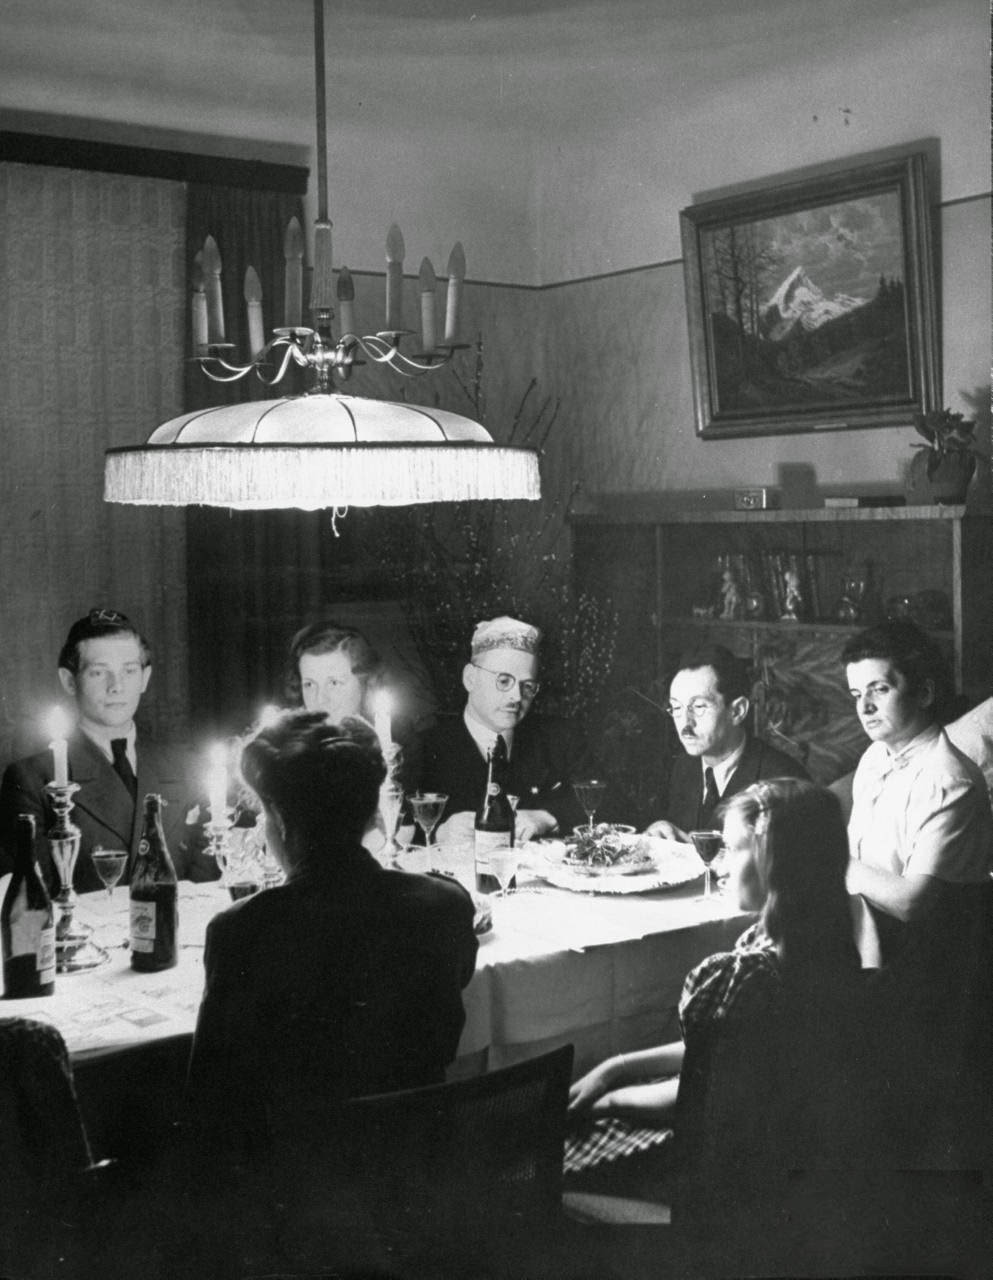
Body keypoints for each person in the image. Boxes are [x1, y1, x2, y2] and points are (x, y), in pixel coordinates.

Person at [186, 709, 478, 1149]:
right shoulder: (446, 905)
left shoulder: (242, 930)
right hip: (416, 1167)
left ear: (280, 822)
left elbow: (211, 1096)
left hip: (299, 1187)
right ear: (370, 811)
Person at [566, 779, 860, 1189]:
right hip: (773, 1142)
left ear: (776, 861)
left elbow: (696, 1096)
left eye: (733, 849)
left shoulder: (751, 973)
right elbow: (714, 1051)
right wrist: (615, 1068)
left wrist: (609, 1102)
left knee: (552, 1147)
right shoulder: (823, 944)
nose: (718, 863)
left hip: (716, 1160)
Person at [0, 608, 216, 892]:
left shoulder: (186, 768)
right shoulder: (32, 780)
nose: (117, 687)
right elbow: (35, 900)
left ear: (145, 678)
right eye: (99, 672)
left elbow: (208, 884)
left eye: (129, 670)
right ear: (69, 680)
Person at [842, 619, 993, 965]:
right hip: (868, 937)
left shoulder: (948, 781)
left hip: (925, 964)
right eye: (856, 694)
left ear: (924, 693)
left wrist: (831, 860)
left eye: (879, 689)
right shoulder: (876, 757)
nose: (864, 707)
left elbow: (912, 902)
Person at [413, 615, 590, 844]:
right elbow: (390, 835)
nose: (516, 697)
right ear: (470, 679)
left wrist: (547, 817)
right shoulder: (425, 747)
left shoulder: (559, 737)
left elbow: (611, 802)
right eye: (504, 681)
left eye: (527, 686)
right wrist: (438, 833)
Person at [645, 644, 808, 841]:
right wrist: (662, 832)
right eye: (677, 708)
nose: (685, 724)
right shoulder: (684, 767)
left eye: (698, 706)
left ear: (737, 711)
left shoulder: (782, 781)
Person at [286, 620, 382, 722]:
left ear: (364, 685)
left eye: (334, 683)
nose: (320, 700)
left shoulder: (383, 737)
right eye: (309, 684)